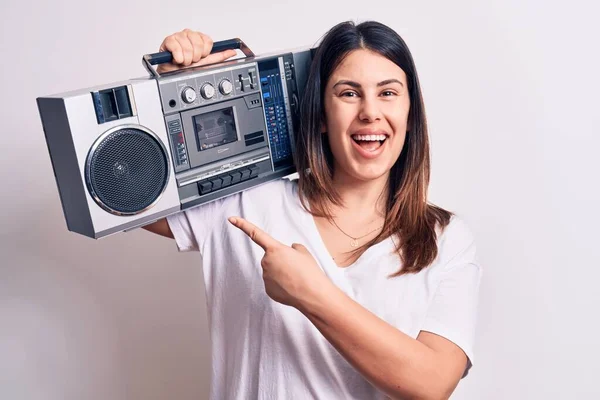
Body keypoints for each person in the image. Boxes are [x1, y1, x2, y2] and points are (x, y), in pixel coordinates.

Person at [143, 20, 482, 400]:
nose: (370, 112)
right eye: (349, 93)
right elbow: (120, 199)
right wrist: (171, 99)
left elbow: (432, 384)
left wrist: (311, 293)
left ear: (409, 113)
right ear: (320, 114)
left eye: (388, 92)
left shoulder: (445, 239)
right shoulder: (245, 202)